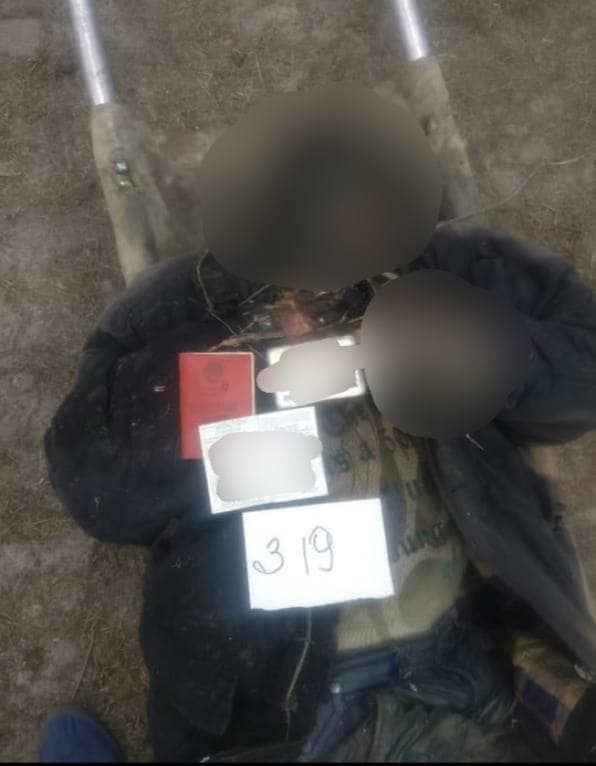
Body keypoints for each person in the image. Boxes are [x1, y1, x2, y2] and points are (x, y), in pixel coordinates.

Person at [45, 85, 596, 762]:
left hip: (478, 653)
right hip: (281, 695)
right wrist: (237, 374)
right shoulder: (172, 306)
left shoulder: (456, 264)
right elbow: (96, 487)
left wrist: (486, 348)